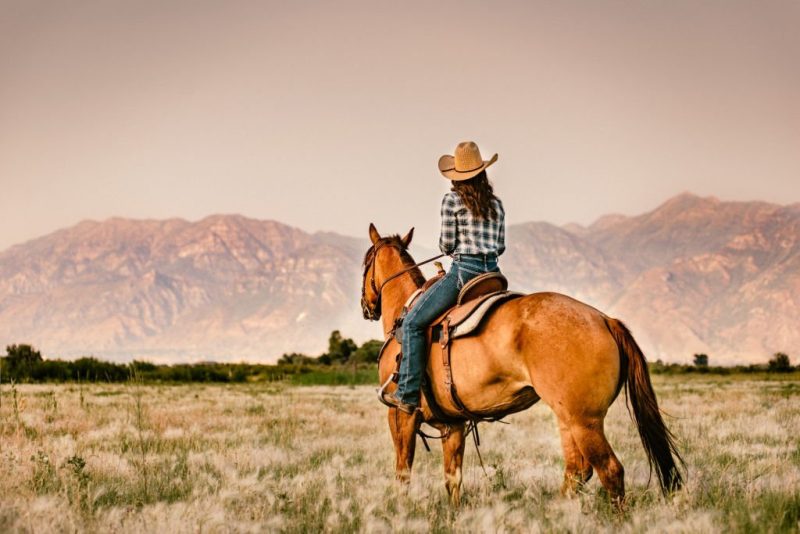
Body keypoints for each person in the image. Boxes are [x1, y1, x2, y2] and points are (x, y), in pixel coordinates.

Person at [382, 141, 506, 414]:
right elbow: (500, 246)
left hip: (465, 273)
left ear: (457, 176)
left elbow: (447, 245)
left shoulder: (452, 201)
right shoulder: (496, 205)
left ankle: (407, 393)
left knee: (414, 322)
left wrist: (455, 248)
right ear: (483, 172)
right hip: (493, 275)